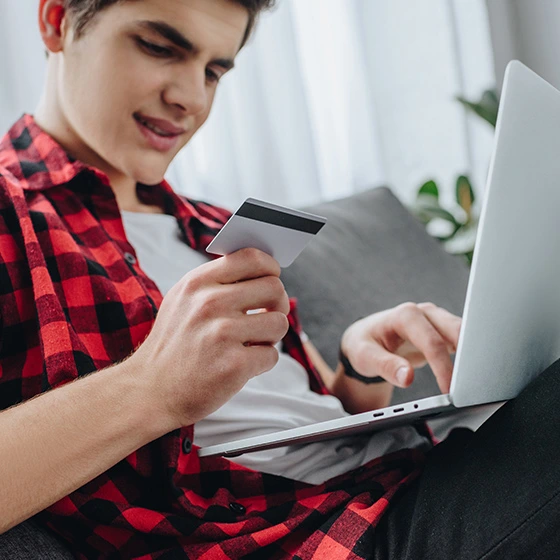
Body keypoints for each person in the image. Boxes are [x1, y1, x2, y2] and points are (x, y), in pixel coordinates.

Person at [1, 1, 560, 559]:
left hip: (413, 476)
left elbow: (305, 414)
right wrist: (154, 386)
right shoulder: (13, 214)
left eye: (215, 71)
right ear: (55, 21)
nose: (192, 99)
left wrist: (356, 370)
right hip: (330, 536)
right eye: (158, 46)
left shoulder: (216, 227)